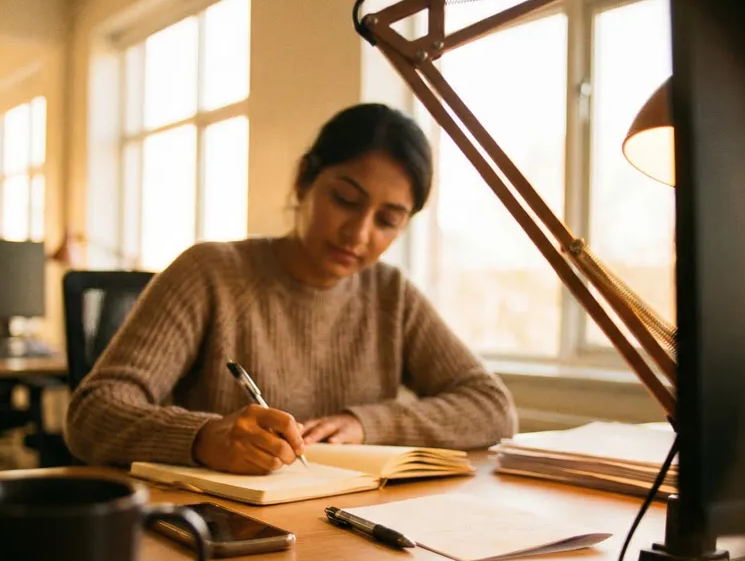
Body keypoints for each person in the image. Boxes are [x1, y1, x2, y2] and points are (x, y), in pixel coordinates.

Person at [66, 103, 518, 474]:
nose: (359, 235)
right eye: (344, 200)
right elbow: (92, 414)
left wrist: (366, 424)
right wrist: (203, 438)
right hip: (231, 531)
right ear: (304, 180)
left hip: (353, 532)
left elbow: (493, 408)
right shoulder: (211, 273)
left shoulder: (390, 294)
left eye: (387, 221)